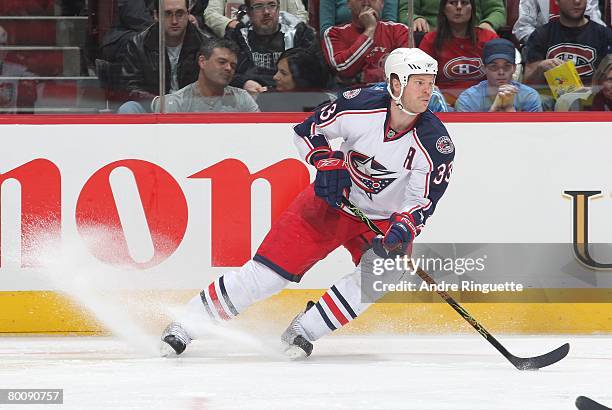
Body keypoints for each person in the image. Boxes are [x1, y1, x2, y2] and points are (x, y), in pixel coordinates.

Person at [160, 48, 455, 359]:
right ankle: (186, 324)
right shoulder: (359, 105)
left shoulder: (436, 145)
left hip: (381, 220)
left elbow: (421, 201)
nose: (428, 90)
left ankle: (305, 329)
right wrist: (326, 162)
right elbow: (308, 130)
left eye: (430, 82)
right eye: (419, 82)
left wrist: (402, 228)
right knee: (267, 276)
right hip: (330, 204)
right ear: (396, 84)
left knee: (383, 273)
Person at [118, 0, 211, 113]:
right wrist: (157, 102)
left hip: (192, 110)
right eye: (167, 14)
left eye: (180, 13)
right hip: (153, 108)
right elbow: (129, 88)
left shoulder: (206, 45)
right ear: (156, 15)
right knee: (128, 109)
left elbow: (213, 87)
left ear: (188, 14)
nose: (174, 21)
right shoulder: (138, 44)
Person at [226, 0, 318, 96]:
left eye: (272, 5)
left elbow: (313, 73)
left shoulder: (300, 32)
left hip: (294, 97)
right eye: (258, 6)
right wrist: (244, 82)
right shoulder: (237, 35)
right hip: (248, 98)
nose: (266, 12)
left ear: (278, 8)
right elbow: (223, 72)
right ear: (249, 12)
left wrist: (273, 89)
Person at [418, 0, 498, 105]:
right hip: (443, 104)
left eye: (464, 3)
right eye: (453, 2)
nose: (459, 7)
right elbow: (420, 78)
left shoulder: (488, 38)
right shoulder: (430, 40)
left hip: (483, 103)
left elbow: (500, 74)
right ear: (444, 9)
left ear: (472, 9)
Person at [151, 38, 260, 112]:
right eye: (222, 62)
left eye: (233, 65)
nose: (228, 68)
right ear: (202, 61)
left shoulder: (243, 99)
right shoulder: (175, 104)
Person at [523, 0, 612, 86]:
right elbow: (528, 85)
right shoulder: (541, 35)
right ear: (556, 1)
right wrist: (540, 69)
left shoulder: (605, 35)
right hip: (551, 97)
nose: (577, 1)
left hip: (593, 98)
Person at [322, 0, 409, 86]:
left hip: (390, 95)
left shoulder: (400, 30)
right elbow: (343, 68)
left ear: (382, 3)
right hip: (351, 96)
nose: (366, 2)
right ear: (348, 4)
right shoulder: (333, 33)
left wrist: (362, 77)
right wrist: (370, 29)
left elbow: (406, 70)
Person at [455, 38, 542, 111]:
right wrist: (494, 109)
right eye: (494, 67)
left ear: (514, 68)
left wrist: (509, 109)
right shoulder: (468, 99)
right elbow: (468, 131)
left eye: (507, 66)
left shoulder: (529, 96)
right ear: (484, 68)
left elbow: (534, 131)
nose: (501, 72)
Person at [512, 0, 604, 44]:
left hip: (582, 44)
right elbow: (523, 28)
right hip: (545, 48)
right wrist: (545, 41)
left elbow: (595, 22)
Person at [204, 0, 309, 38]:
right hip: (236, 45)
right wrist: (232, 24)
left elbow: (300, 16)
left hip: (281, 43)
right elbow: (210, 14)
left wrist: (287, 32)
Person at [400, 0, 506, 34]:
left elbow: (497, 11)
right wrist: (415, 18)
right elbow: (405, 11)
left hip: (473, 37)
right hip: (432, 38)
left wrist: (488, 23)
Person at [0, 25, 37, 113]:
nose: (1, 49)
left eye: (3, 45)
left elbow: (38, 80)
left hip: (10, 123)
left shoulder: (17, 70)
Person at [320, 0, 398, 36]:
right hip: (343, 42)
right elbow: (326, 31)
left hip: (381, 40)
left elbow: (391, 27)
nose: (366, 2)